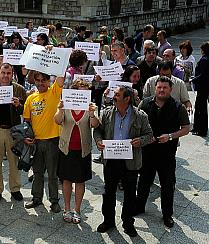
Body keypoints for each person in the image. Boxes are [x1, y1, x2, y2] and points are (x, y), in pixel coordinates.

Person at [93, 85, 153, 237]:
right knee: (108, 192)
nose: (114, 96)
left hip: (130, 161)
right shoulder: (107, 113)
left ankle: (128, 222)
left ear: (127, 99)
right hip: (111, 160)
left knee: (130, 194)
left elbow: (149, 135)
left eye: (117, 95)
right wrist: (99, 140)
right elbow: (98, 130)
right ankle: (108, 221)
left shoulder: (140, 116)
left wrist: (140, 141)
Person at [136, 76, 190, 228]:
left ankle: (167, 215)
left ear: (170, 90)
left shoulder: (178, 106)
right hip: (147, 151)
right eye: (159, 87)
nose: (161, 90)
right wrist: (144, 138)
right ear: (155, 88)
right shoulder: (145, 103)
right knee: (144, 181)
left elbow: (186, 128)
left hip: (167, 153)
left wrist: (171, 136)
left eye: (165, 88)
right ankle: (139, 206)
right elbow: (136, 122)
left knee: (167, 184)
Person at [54, 79, 99, 223]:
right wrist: (60, 109)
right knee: (66, 180)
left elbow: (95, 124)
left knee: (80, 181)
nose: (82, 93)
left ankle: (77, 209)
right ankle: (67, 208)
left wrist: (92, 114)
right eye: (79, 90)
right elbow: (57, 120)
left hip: (82, 149)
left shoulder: (91, 106)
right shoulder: (66, 104)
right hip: (66, 148)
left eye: (85, 91)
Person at [0, 63, 26, 203]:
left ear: (12, 74)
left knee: (14, 161)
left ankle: (15, 188)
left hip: (13, 131)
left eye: (8, 73)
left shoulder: (19, 89)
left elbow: (25, 111)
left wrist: (18, 105)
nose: (6, 76)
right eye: (3, 72)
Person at [23, 71, 65, 213]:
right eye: (38, 80)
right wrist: (26, 137)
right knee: (37, 173)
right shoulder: (30, 98)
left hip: (52, 141)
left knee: (53, 174)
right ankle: (36, 198)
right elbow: (27, 121)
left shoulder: (54, 92)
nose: (40, 83)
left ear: (49, 81)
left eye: (43, 80)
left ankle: (54, 201)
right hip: (35, 143)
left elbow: (60, 77)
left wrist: (54, 54)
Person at [191, 42, 209, 137]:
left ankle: (200, 129)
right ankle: (199, 128)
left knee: (200, 109)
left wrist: (193, 79)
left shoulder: (204, 60)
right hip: (206, 87)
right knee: (201, 108)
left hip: (203, 87)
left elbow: (203, 75)